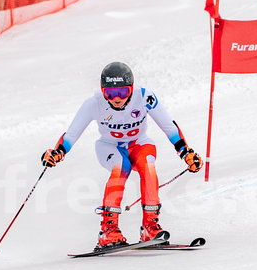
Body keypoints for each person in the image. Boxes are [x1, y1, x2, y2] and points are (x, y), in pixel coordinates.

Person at [41, 61, 203, 249]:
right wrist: (58, 152)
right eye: (110, 93)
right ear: (103, 92)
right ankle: (108, 231)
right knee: (121, 167)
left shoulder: (144, 97)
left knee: (148, 165)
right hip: (109, 146)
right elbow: (71, 134)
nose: (116, 98)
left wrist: (185, 152)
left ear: (132, 89)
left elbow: (168, 126)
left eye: (122, 92)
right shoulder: (94, 103)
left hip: (139, 143)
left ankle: (150, 227)